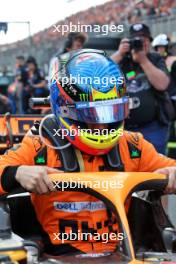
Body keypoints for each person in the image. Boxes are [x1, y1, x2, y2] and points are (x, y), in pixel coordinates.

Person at [0, 50, 176, 256]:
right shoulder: (40, 145)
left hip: (121, 255)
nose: (101, 127)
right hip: (56, 256)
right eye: (90, 115)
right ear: (65, 110)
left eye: (110, 112)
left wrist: (173, 173)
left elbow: (171, 166)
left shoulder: (132, 145)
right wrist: (18, 173)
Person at [111, 23, 170, 154]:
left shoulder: (155, 58)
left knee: (156, 168)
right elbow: (99, 75)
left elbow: (162, 84)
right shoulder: (122, 60)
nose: (140, 42)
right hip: (124, 128)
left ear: (149, 41)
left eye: (144, 38)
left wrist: (143, 61)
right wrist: (119, 54)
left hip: (154, 127)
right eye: (136, 39)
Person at [152, 34, 176, 158]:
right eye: (157, 48)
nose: (159, 50)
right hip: (164, 100)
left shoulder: (172, 60)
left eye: (161, 47)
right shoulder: (155, 61)